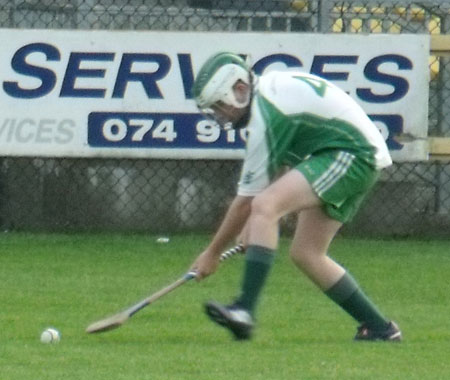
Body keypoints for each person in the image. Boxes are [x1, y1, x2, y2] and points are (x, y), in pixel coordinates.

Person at [189, 52, 402, 342]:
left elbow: (246, 203)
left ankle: (245, 310)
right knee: (306, 253)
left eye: (220, 105)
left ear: (240, 90)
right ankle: (380, 328)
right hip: (342, 154)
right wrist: (256, 225)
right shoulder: (269, 95)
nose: (220, 114)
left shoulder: (266, 114)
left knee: (264, 205)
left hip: (352, 154)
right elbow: (279, 167)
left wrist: (212, 253)